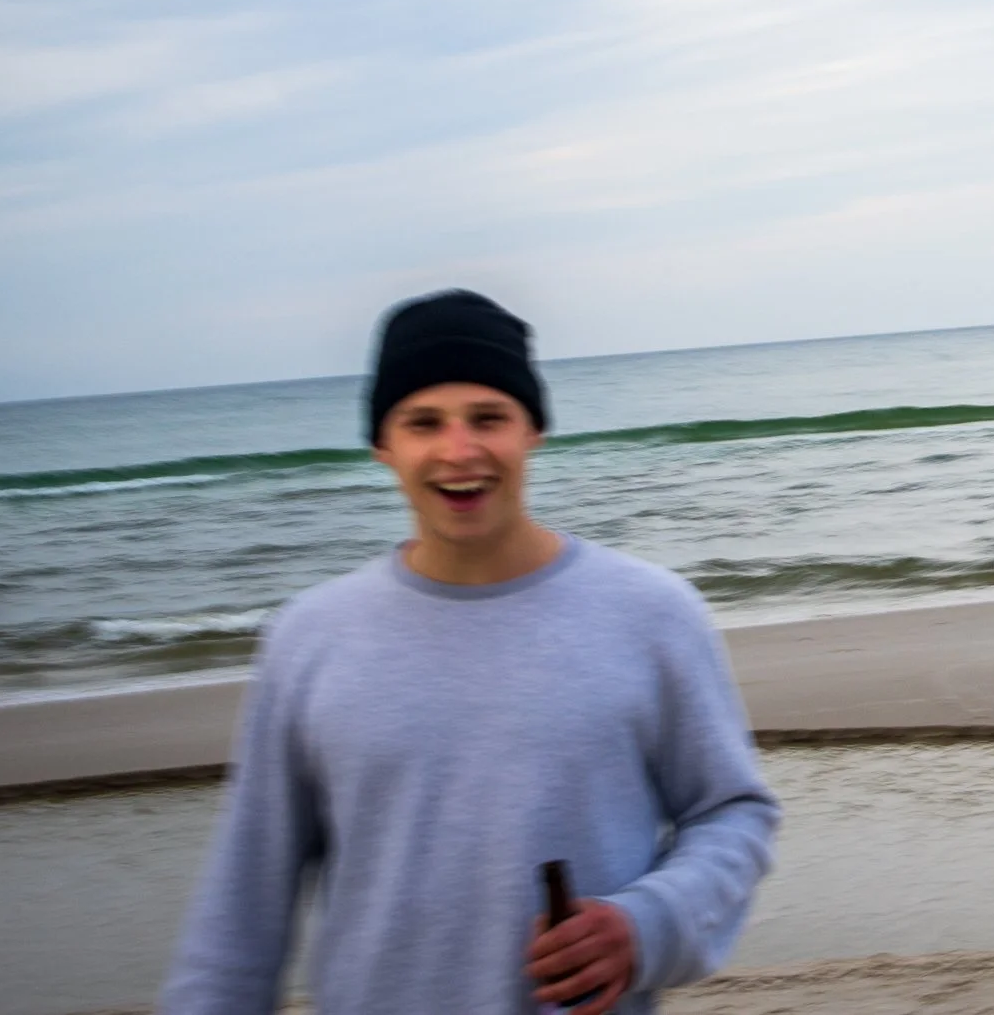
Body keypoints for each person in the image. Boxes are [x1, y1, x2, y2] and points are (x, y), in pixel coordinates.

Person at [160, 290, 778, 1015]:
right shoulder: (311, 637)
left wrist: (649, 923)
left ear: (533, 430)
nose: (459, 451)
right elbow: (244, 904)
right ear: (383, 446)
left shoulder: (651, 613)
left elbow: (732, 812)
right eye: (423, 422)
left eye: (489, 417)